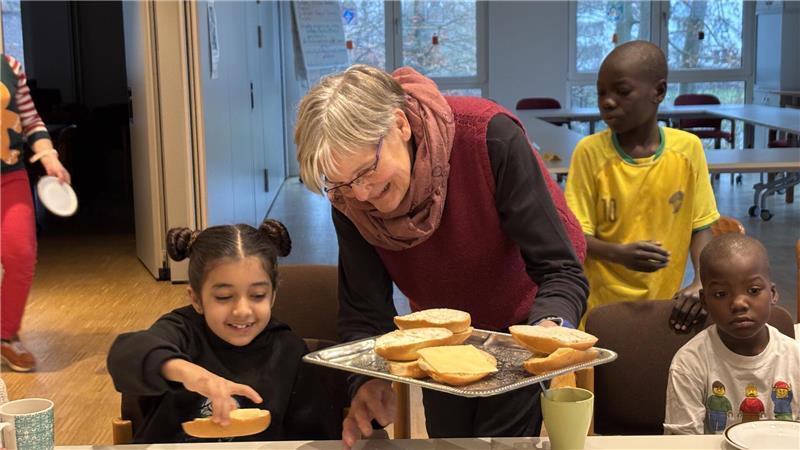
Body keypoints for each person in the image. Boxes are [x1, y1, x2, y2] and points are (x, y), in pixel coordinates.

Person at [294, 64, 588, 447]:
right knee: (448, 440)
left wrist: (547, 333)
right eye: (343, 185)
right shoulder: (352, 193)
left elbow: (561, 269)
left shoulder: (487, 138)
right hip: (439, 338)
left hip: (519, 332)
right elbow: (364, 307)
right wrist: (366, 381)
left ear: (399, 125)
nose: (362, 195)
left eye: (368, 171)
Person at [106, 219, 337, 443]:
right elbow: (125, 355)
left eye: (257, 295)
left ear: (273, 295)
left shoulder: (288, 349)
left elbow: (315, 436)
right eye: (224, 297)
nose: (242, 310)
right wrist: (190, 374)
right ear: (196, 299)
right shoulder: (182, 331)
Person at [563, 41, 719, 330]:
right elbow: (576, 239)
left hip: (666, 307)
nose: (608, 102)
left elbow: (701, 227)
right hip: (600, 309)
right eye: (601, 93)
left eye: (622, 92)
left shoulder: (688, 150)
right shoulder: (589, 152)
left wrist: (700, 280)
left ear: (658, 92)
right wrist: (619, 254)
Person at [664, 234, 800, 434]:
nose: (738, 303)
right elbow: (682, 441)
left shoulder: (795, 357)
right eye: (721, 294)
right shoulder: (689, 363)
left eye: (753, 290)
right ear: (704, 301)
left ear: (772, 294)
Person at [1, 53, 71, 372]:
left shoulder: (10, 66)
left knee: (21, 255)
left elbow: (30, 120)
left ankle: (4, 336)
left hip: (9, 174)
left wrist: (49, 157)